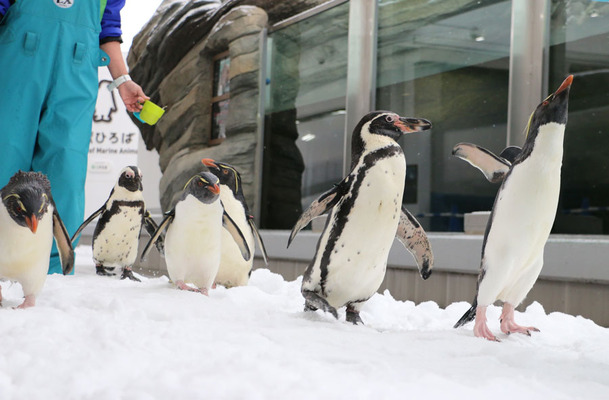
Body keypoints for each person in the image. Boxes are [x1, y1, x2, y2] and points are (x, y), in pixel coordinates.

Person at [0, 0, 149, 274]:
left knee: (65, 171)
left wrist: (123, 81)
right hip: (15, 65)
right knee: (4, 158)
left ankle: (53, 269)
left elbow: (109, 31)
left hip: (77, 72)